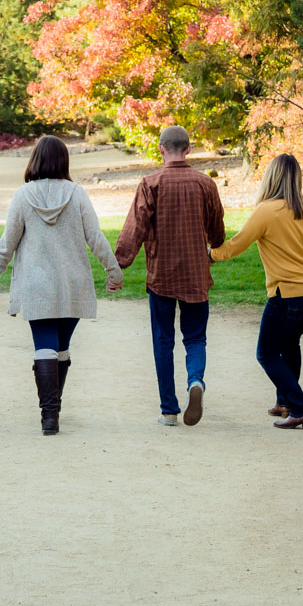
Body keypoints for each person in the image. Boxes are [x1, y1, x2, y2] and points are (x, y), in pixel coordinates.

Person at [0, 135, 123, 435]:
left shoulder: (23, 196)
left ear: (35, 159)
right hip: (72, 285)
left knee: (47, 347)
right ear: (64, 161)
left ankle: (50, 416)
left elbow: (6, 243)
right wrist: (114, 271)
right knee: (60, 348)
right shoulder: (77, 194)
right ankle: (53, 409)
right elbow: (95, 237)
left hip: (37, 287)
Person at [210, 154, 303, 430]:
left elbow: (236, 245)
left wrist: (210, 254)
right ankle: (286, 402)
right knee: (289, 343)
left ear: (270, 177)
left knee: (266, 353)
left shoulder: (266, 211)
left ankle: (302, 408)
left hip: (287, 295)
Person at [114, 125, 226, 426]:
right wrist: (214, 245)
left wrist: (119, 265)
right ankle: (196, 381)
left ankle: (169, 410)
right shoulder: (206, 184)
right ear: (188, 149)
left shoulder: (151, 183)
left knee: (163, 340)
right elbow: (217, 230)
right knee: (196, 337)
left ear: (162, 149)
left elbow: (133, 229)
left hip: (161, 274)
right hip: (196, 274)